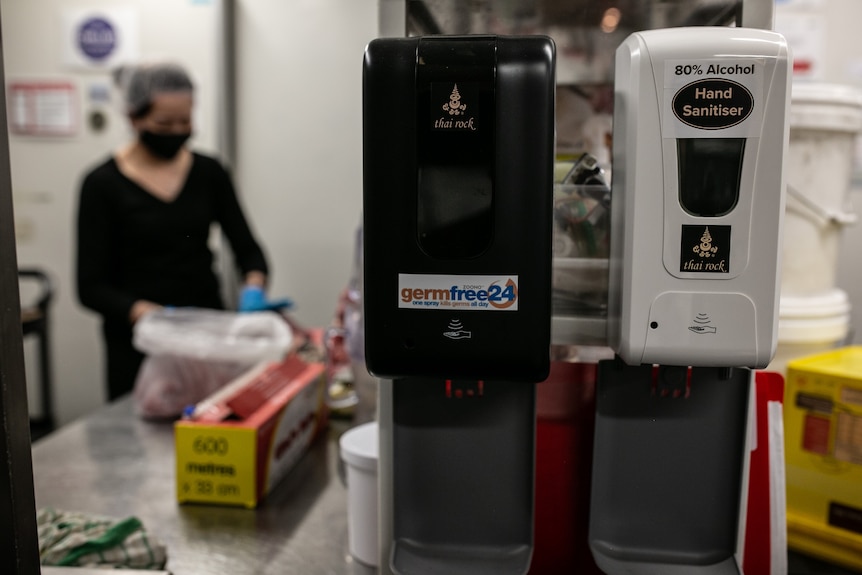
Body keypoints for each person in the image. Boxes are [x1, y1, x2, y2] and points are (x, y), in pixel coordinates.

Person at [76, 62, 288, 401]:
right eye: (164, 123)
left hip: (208, 338)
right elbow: (90, 286)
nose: (176, 130)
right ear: (133, 117)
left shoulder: (209, 172)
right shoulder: (101, 184)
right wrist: (151, 316)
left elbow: (248, 250)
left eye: (185, 122)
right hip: (139, 348)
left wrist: (254, 288)